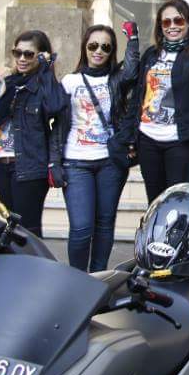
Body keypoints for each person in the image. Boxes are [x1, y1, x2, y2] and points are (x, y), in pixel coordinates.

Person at [53, 22, 140, 272]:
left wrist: (133, 40)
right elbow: (57, 122)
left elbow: (132, 71)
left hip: (110, 162)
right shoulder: (70, 81)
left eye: (105, 47)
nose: (98, 51)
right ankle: (77, 278)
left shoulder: (116, 79)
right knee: (81, 228)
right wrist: (54, 162)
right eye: (93, 46)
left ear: (112, 51)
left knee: (104, 224)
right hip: (75, 162)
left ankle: (98, 277)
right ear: (85, 48)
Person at [131, 0, 189, 201]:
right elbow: (138, 94)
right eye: (166, 22)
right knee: (155, 201)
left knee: (179, 200)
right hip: (148, 138)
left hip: (181, 139)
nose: (172, 26)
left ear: (188, 23)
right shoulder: (151, 54)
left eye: (178, 21)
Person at [0, 30, 65, 237]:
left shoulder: (43, 86)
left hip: (30, 166)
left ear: (41, 55)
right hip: (2, 165)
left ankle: (33, 260)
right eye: (18, 53)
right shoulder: (9, 82)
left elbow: (55, 106)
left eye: (29, 54)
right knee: (11, 227)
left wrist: (47, 69)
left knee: (28, 230)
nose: (22, 58)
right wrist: (5, 89)